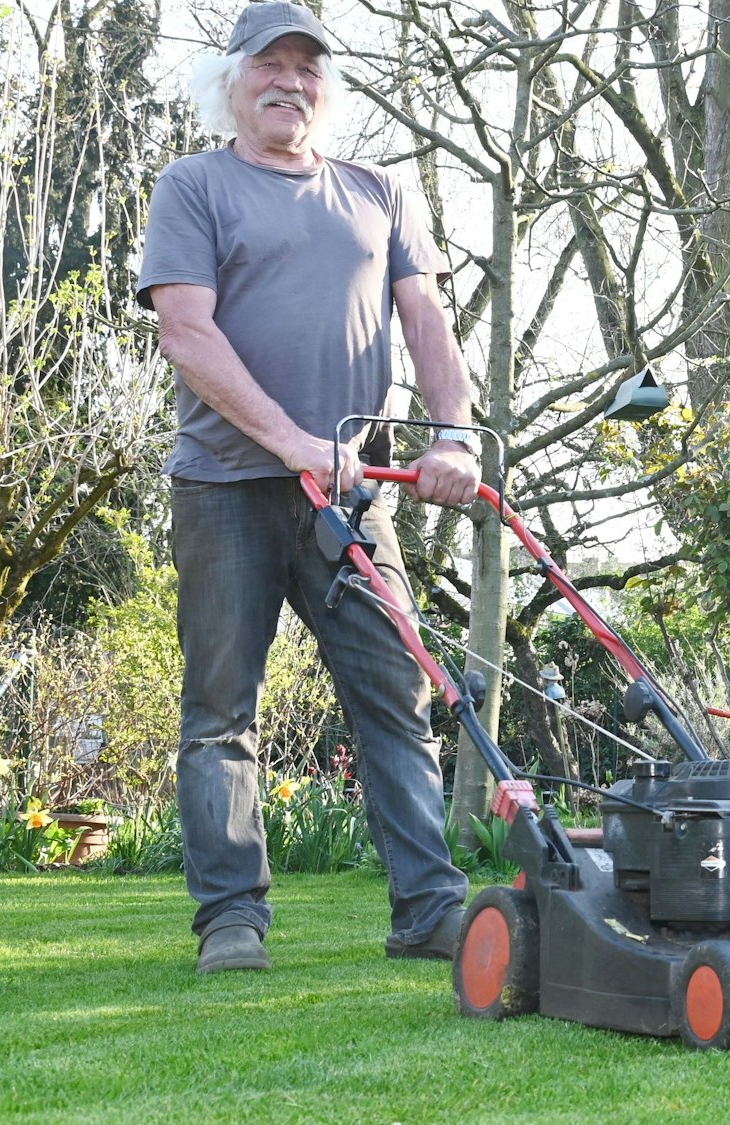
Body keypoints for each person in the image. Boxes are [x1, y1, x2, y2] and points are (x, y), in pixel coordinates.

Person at [137, 2, 478, 974]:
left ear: (327, 89)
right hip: (224, 492)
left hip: (354, 498)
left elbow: (428, 323)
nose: (290, 80)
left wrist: (451, 434)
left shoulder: (378, 192)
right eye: (269, 64)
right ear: (232, 81)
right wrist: (289, 439)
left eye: (308, 67)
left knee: (394, 699)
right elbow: (187, 333)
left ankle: (428, 909)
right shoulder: (195, 186)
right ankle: (232, 921)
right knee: (220, 714)